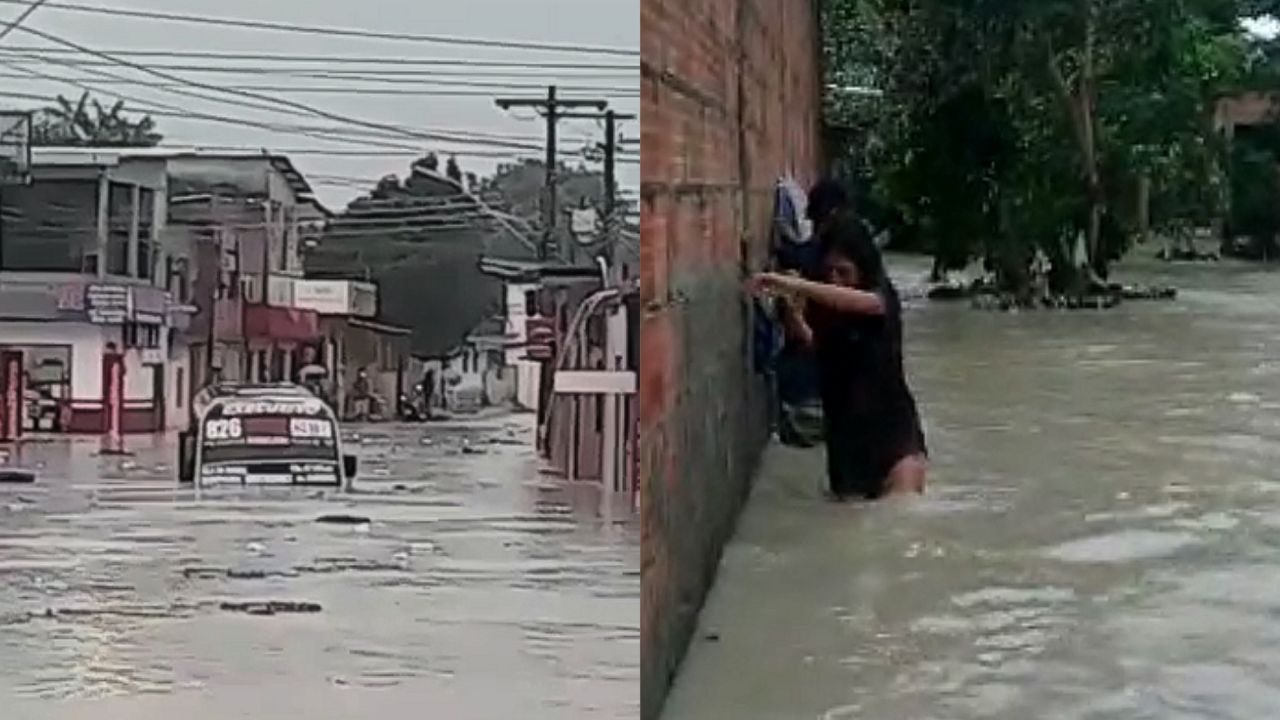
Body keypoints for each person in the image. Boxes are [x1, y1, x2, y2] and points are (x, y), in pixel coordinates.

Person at [748, 213, 927, 500]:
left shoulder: (881, 299)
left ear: (863, 269)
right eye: (829, 272)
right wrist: (792, 315)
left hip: (895, 440)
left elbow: (865, 303)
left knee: (899, 518)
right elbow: (818, 348)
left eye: (844, 272)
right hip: (847, 444)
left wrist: (793, 284)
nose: (836, 280)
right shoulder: (828, 314)